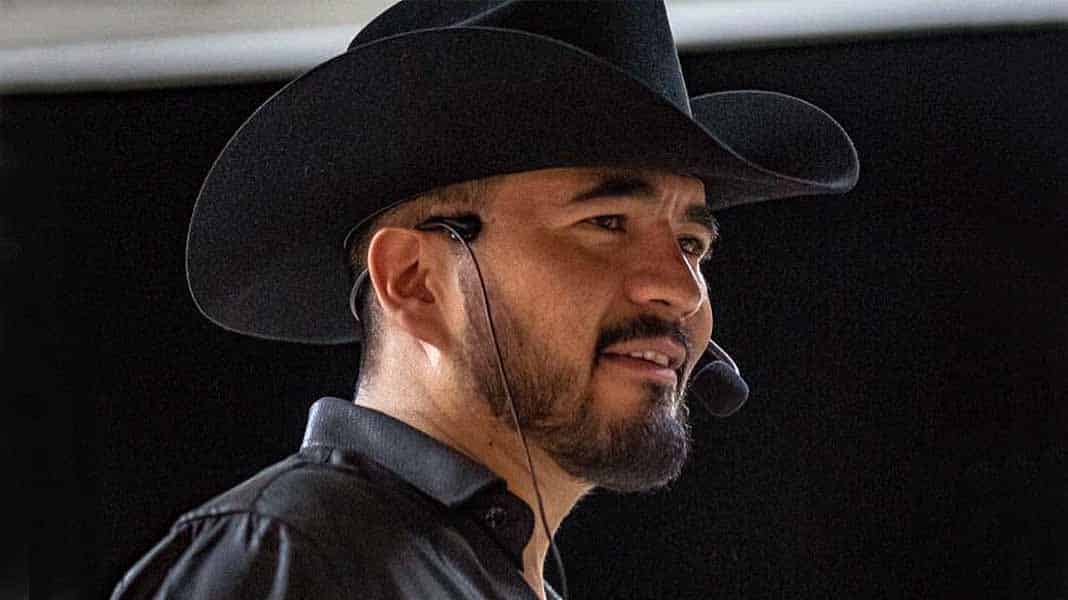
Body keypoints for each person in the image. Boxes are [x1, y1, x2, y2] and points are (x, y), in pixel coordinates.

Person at [111, 1, 858, 599]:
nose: (683, 288)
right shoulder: (290, 556)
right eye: (605, 223)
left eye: (692, 244)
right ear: (415, 281)